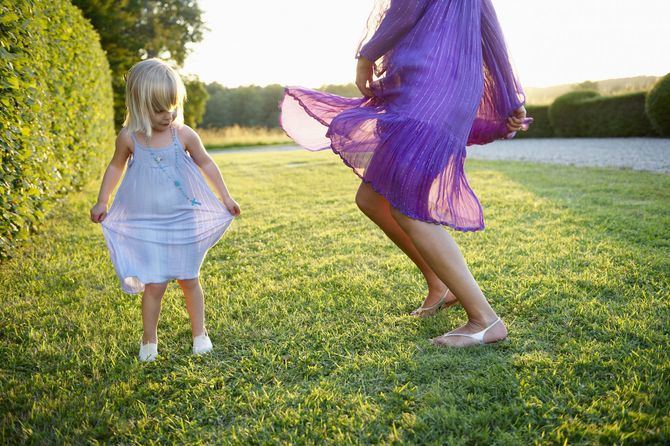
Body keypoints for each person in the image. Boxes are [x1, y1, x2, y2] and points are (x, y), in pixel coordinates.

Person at [280, 0, 531, 347]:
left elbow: (407, 9)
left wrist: (367, 56)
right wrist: (509, 98)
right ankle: (439, 285)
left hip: (430, 86)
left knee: (408, 205)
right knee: (371, 198)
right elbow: (491, 32)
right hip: (442, 85)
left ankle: (484, 320)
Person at [90, 58, 241, 361]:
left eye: (171, 105)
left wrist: (224, 197)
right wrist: (103, 200)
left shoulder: (182, 134)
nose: (168, 114)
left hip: (182, 219)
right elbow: (115, 166)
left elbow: (206, 162)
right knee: (155, 285)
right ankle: (149, 342)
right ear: (139, 105)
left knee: (189, 279)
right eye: (159, 109)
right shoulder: (129, 138)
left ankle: (200, 335)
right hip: (149, 223)